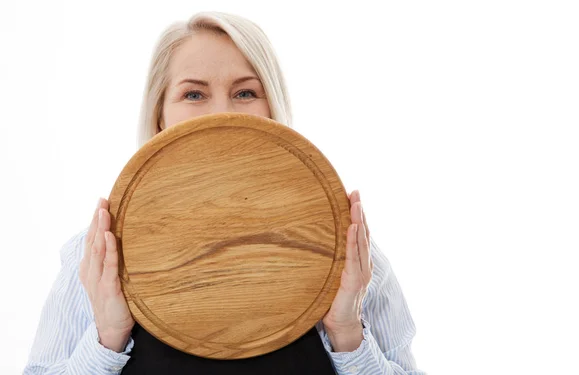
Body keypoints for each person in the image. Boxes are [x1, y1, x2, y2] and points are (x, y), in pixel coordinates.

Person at [24, 11, 425, 375]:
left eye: (246, 93)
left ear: (274, 109)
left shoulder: (350, 254)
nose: (222, 114)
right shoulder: (96, 255)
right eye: (194, 94)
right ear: (159, 116)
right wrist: (106, 337)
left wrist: (347, 333)